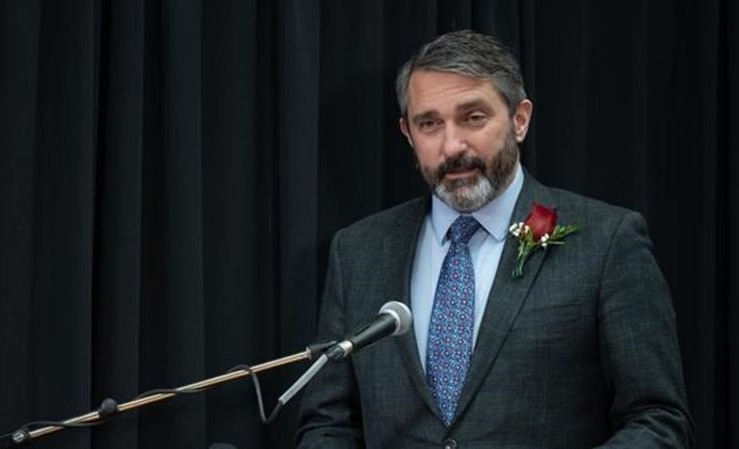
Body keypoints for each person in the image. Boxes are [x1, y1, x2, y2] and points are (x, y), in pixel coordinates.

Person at [295, 30, 694, 448]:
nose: (452, 146)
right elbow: (328, 425)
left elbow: (658, 419)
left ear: (519, 120)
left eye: (473, 117)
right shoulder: (358, 252)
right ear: (407, 134)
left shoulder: (607, 241)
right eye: (429, 124)